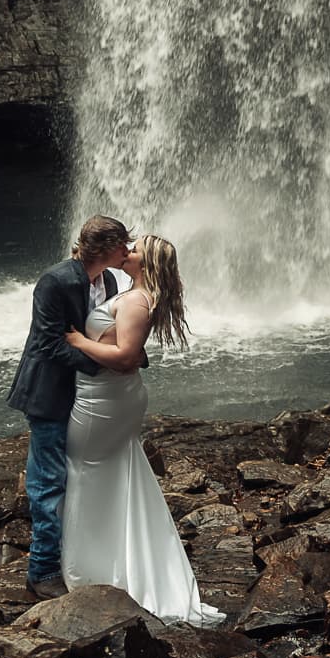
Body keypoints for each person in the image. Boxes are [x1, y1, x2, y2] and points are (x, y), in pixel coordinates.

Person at [60, 234, 223, 626]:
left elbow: (126, 357)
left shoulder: (135, 301)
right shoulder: (133, 293)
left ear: (146, 265)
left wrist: (78, 340)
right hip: (110, 398)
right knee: (114, 474)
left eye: (134, 250)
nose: (127, 249)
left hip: (106, 400)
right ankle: (120, 560)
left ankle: (93, 569)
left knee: (85, 472)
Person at [6, 215, 131, 600]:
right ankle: (40, 571)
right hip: (49, 393)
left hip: (84, 394)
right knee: (48, 482)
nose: (128, 251)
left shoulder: (108, 281)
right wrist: (103, 362)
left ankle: (74, 557)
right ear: (107, 248)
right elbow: (46, 344)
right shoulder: (55, 280)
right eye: (123, 244)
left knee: (79, 475)